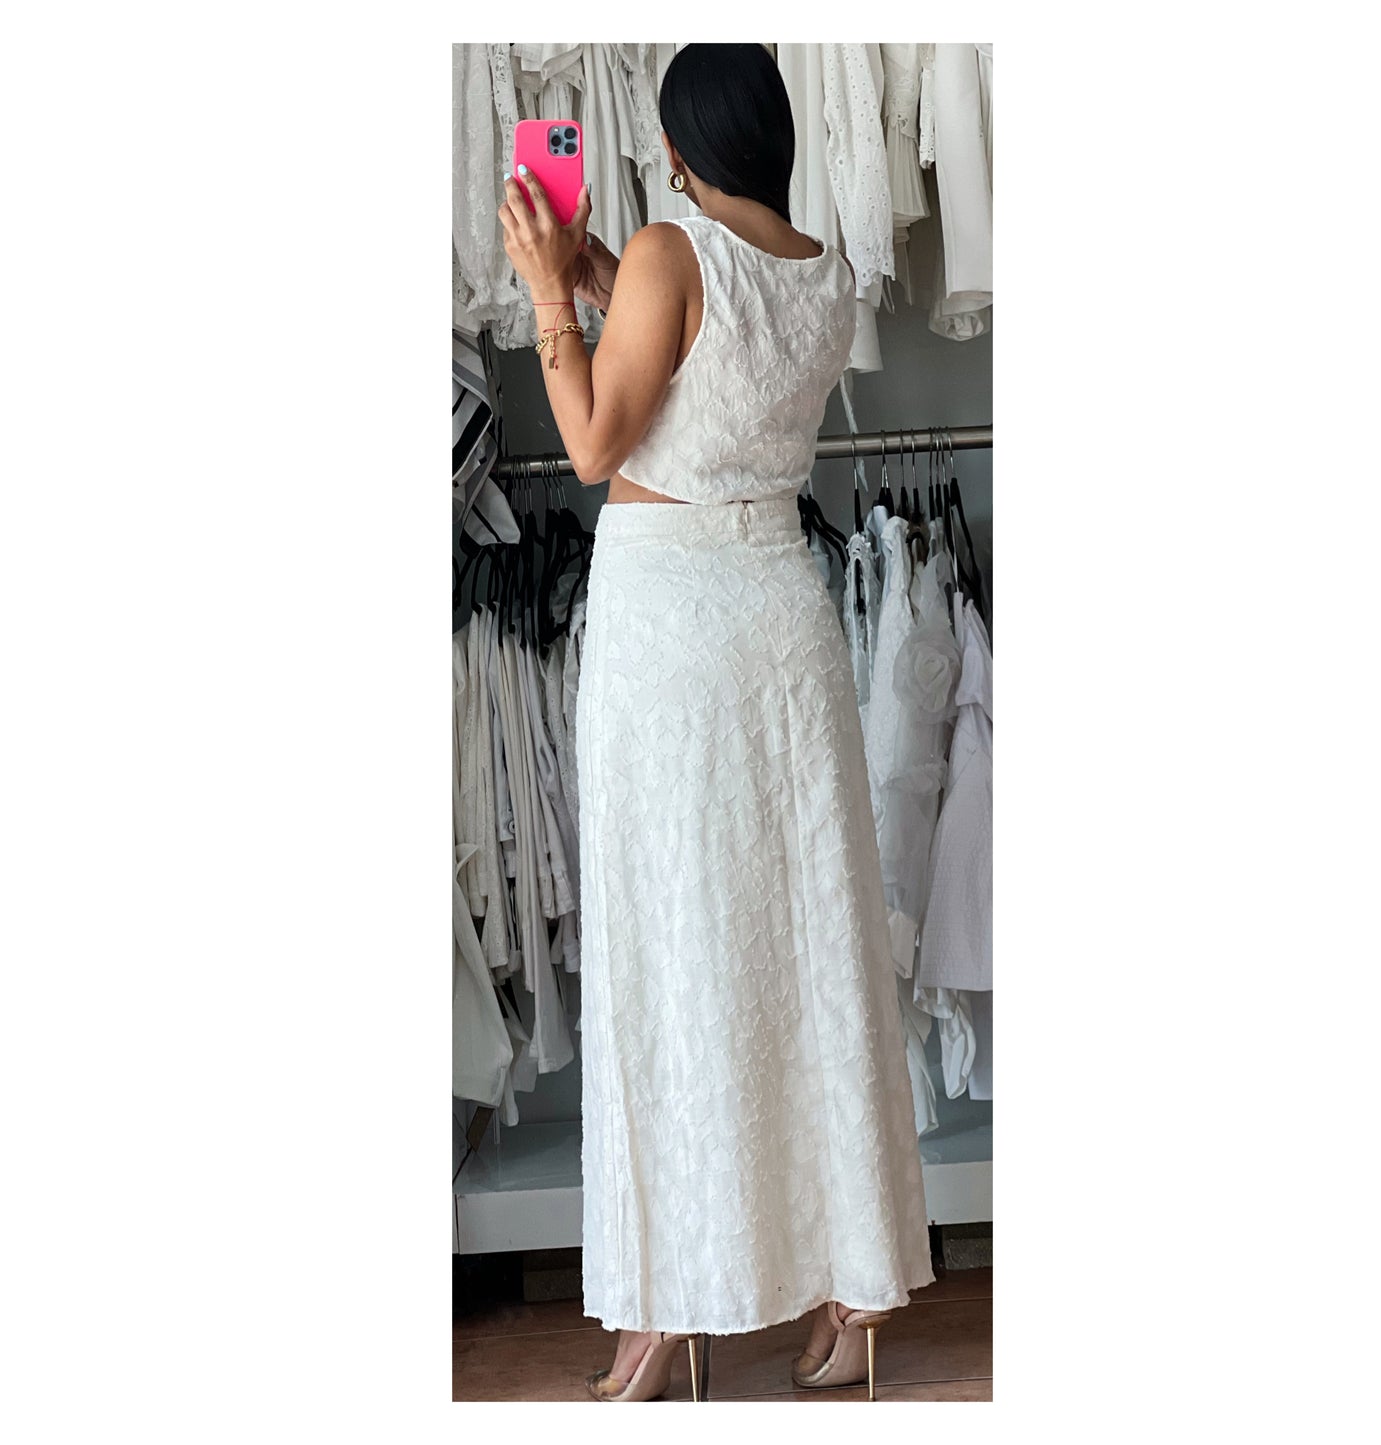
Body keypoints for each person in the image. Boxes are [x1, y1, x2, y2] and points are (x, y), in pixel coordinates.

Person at [497, 42, 933, 1403]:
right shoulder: (818, 267)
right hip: (781, 617)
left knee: (674, 945)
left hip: (670, 630)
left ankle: (666, 1305)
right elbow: (713, 365)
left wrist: (550, 296)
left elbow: (594, 444)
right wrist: (602, 279)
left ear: (677, 147)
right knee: (808, 939)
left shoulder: (667, 252)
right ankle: (853, 1288)